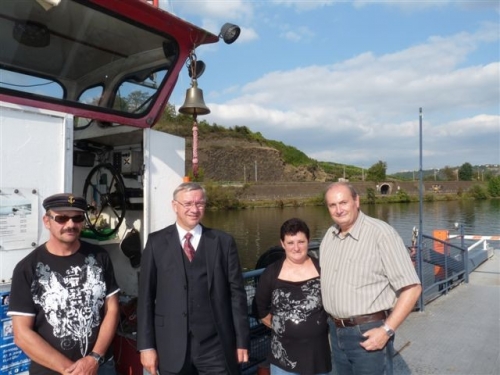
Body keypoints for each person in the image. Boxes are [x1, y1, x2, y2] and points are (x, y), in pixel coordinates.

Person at [137, 182, 250, 375]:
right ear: (175, 206)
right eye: (188, 204)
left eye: (200, 204)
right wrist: (146, 347)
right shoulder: (156, 243)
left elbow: (237, 296)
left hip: (215, 347)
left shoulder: (223, 242)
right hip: (170, 346)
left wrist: (242, 341)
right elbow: (145, 298)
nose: (194, 209)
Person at [8, 193, 120, 375]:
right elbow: (22, 334)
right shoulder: (27, 268)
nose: (70, 225)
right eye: (61, 218)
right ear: (47, 221)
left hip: (100, 365)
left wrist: (94, 358)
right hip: (52, 370)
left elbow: (112, 309)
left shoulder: (100, 257)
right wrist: (72, 370)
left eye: (77, 218)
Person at [320, 182, 422, 375]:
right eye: (332, 205)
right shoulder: (329, 236)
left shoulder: (381, 234)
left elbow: (412, 288)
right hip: (335, 331)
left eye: (343, 202)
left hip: (368, 332)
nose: (339, 209)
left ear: (356, 201)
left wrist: (386, 331)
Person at [255, 218, 331, 375]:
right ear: (282, 244)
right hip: (283, 361)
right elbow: (260, 309)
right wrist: (283, 326)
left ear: (308, 241)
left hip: (317, 358)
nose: (296, 248)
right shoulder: (271, 273)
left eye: (301, 242)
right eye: (290, 243)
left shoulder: (322, 269)